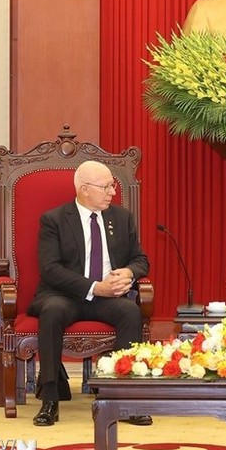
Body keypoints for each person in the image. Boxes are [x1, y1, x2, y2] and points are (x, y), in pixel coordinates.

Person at [27, 160, 150, 427]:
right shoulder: (54, 219)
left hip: (108, 298)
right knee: (52, 311)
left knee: (130, 311)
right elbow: (50, 270)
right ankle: (50, 399)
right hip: (64, 294)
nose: (113, 192)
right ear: (85, 189)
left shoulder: (121, 217)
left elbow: (140, 259)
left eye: (112, 186)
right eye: (106, 186)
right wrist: (95, 287)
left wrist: (128, 273)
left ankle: (123, 397)